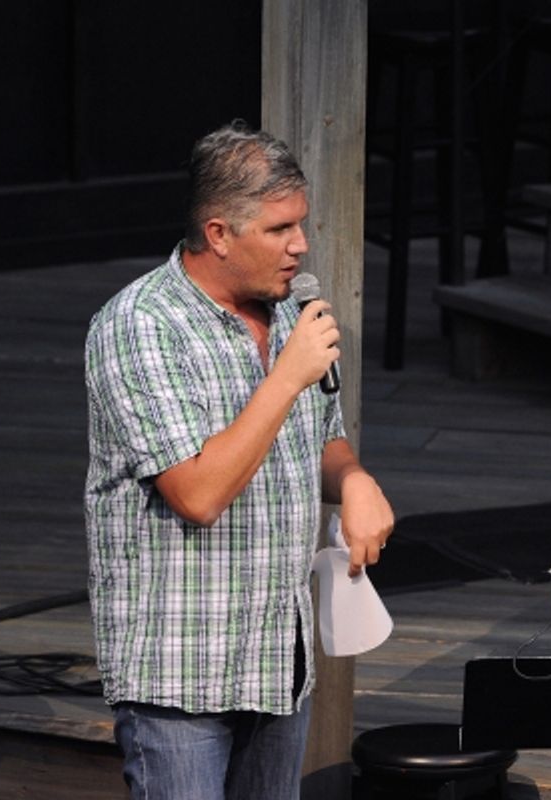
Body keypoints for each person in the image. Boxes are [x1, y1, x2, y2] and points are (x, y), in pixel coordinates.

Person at [83, 121, 395, 800]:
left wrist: (354, 479)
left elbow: (320, 438)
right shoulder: (139, 326)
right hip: (180, 678)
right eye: (280, 229)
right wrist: (285, 377)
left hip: (276, 663)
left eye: (301, 225)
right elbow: (196, 492)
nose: (301, 245)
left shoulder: (290, 312)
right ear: (219, 234)